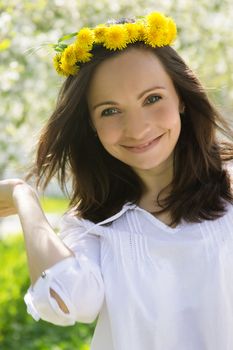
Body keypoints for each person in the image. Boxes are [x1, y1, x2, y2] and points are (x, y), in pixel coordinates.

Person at [1, 11, 233, 350]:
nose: (137, 129)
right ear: (92, 125)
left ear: (181, 97)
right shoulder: (95, 225)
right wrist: (24, 197)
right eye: (110, 110)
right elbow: (64, 301)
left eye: (152, 99)